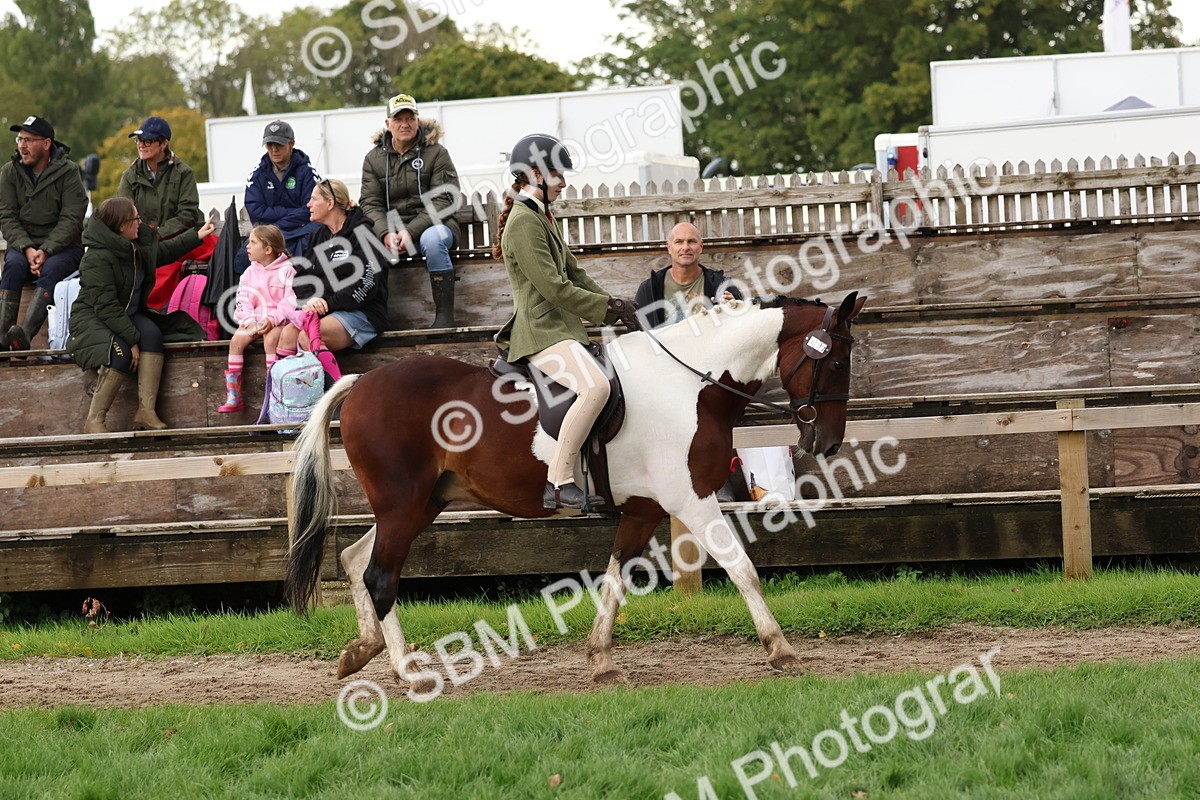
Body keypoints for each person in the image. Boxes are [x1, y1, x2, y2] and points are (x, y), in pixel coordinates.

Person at [493, 133, 640, 511]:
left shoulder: (543, 217)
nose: (563, 181)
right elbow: (555, 289)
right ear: (536, 174)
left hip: (562, 329)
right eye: (558, 174)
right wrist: (607, 311)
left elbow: (575, 274)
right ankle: (558, 480)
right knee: (595, 388)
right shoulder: (524, 223)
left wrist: (617, 304)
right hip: (540, 333)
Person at [67, 197, 215, 434]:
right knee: (121, 354)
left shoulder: (134, 245)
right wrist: (132, 339)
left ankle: (146, 411)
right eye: (135, 218)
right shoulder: (97, 257)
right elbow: (105, 307)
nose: (140, 222)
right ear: (121, 226)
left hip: (126, 313)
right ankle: (94, 420)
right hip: (93, 318)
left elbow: (163, 252)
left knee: (154, 336)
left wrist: (196, 236)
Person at [359, 92, 461, 329]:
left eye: (410, 118)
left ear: (418, 120)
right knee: (363, 246)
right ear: (388, 124)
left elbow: (445, 199)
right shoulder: (373, 159)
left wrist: (411, 232)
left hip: (436, 226)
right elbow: (370, 203)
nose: (404, 124)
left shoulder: (437, 153)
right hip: (391, 231)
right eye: (398, 119)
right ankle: (375, 320)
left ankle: (444, 318)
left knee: (433, 240)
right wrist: (385, 233)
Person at [276, 179, 387, 378]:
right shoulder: (318, 236)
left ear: (330, 203)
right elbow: (301, 279)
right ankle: (288, 402)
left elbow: (367, 285)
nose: (308, 204)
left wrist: (326, 304)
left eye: (313, 199)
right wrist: (310, 301)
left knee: (307, 335)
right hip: (326, 311)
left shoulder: (363, 234)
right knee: (286, 335)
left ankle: (328, 403)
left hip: (363, 312)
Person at [0, 115, 88, 351]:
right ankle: (1, 336)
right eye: (20, 139)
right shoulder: (9, 172)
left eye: (28, 140)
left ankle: (24, 338)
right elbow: (6, 216)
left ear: (47, 143)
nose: (22, 145)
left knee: (52, 269)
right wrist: (28, 248)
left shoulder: (69, 172)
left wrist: (46, 250)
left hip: (63, 249)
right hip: (23, 247)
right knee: (13, 266)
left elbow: (72, 217)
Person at [116, 115, 206, 309]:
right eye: (138, 140)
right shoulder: (129, 176)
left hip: (174, 244)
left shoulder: (184, 173)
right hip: (139, 245)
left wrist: (159, 234)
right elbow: (124, 215)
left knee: (164, 273)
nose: (141, 145)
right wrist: (145, 237)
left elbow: (188, 214)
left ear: (164, 143)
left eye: (147, 140)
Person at [217, 224, 297, 413]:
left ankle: (273, 394)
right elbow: (243, 300)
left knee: (271, 340)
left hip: (278, 321)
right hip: (255, 320)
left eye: (252, 242)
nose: (247, 246)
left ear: (268, 249)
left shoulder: (287, 271)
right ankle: (234, 396)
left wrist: (272, 319)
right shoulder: (249, 273)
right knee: (236, 340)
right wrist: (249, 321)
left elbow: (289, 302)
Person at [237, 120, 322, 275]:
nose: (274, 150)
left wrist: (277, 224)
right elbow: (255, 211)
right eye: (270, 145)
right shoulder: (257, 174)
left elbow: (309, 210)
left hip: (301, 231)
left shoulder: (308, 172)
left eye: (279, 145)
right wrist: (288, 215)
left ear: (291, 144)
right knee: (243, 256)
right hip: (268, 233)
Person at [633, 222, 741, 328]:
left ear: (701, 246)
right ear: (669, 247)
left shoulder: (722, 286)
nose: (685, 247)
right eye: (679, 242)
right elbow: (637, 336)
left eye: (692, 241)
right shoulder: (648, 290)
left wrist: (734, 309)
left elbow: (740, 330)